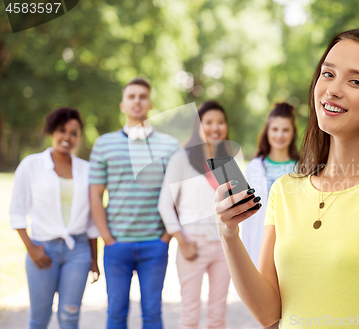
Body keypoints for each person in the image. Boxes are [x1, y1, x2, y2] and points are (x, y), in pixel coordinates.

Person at [214, 29, 359, 329]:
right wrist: (229, 234)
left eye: (356, 81)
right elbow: (268, 313)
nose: (332, 89)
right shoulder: (285, 190)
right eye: (327, 74)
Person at [89, 77, 179, 329]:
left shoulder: (169, 145)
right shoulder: (104, 144)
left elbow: (177, 195)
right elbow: (95, 195)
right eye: (131, 96)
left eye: (142, 96)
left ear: (150, 103)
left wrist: (165, 236)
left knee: (152, 313)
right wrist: (107, 238)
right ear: (122, 104)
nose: (137, 101)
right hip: (117, 244)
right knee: (116, 313)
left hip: (155, 244)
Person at [10, 107, 100, 329]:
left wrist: (94, 259)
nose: (67, 137)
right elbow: (17, 210)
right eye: (62, 130)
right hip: (43, 249)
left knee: (70, 318)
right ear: (52, 131)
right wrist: (31, 248)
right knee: (39, 319)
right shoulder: (31, 165)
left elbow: (90, 219)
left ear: (79, 137)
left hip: (78, 251)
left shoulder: (87, 170)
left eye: (73, 133)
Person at [158, 100, 236, 329]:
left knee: (217, 315)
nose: (215, 127)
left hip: (223, 248)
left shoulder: (228, 162)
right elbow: (165, 205)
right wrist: (182, 242)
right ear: (198, 126)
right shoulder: (181, 159)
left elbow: (234, 206)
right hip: (192, 244)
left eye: (220, 122)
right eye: (208, 122)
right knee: (190, 316)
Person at [242, 102, 300, 267]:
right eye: (275, 129)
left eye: (285, 130)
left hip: (291, 243)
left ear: (293, 133)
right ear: (267, 131)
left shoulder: (302, 168)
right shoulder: (254, 167)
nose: (280, 135)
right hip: (258, 240)